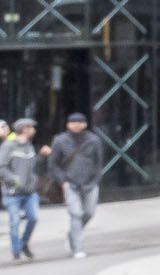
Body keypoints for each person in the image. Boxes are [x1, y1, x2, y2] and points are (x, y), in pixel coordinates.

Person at [46, 110, 106, 258]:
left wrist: (95, 180)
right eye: (73, 122)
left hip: (90, 183)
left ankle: (72, 234)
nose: (76, 125)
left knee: (89, 212)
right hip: (70, 184)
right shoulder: (60, 140)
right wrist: (63, 181)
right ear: (68, 124)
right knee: (76, 214)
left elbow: (99, 163)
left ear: (85, 124)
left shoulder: (93, 140)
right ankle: (78, 248)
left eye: (79, 122)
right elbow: (53, 164)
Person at [0, 119, 38, 262]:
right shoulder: (9, 146)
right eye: (31, 127)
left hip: (29, 191)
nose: (33, 129)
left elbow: (31, 168)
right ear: (24, 129)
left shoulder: (29, 146)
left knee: (33, 218)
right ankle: (16, 251)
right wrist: (14, 180)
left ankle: (23, 244)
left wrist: (33, 181)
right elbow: (2, 167)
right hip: (12, 192)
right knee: (14, 222)